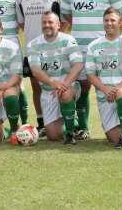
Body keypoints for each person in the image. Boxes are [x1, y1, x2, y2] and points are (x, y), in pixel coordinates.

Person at [61, 0, 122, 140]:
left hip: (106, 48)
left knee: (109, 85)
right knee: (82, 85)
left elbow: (118, 17)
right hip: (79, 47)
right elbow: (67, 16)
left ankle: (121, 123)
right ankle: (83, 127)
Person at [16, 0, 62, 137]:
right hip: (32, 50)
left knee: (55, 84)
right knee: (37, 87)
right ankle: (42, 121)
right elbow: (22, 23)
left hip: (53, 50)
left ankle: (59, 118)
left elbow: (61, 22)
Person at [86, 7, 122, 148]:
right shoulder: (93, 46)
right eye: (106, 20)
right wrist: (105, 89)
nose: (109, 23)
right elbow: (90, 75)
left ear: (121, 23)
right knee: (112, 139)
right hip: (104, 95)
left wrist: (116, 89)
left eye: (112, 20)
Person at [27, 11, 83, 144]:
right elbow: (36, 71)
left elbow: (78, 64)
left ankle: (70, 134)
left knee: (65, 94)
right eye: (44, 22)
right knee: (53, 135)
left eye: (50, 22)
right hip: (48, 91)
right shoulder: (33, 44)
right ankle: (71, 120)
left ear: (58, 25)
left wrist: (64, 84)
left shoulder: (68, 40)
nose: (47, 25)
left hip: (69, 86)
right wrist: (53, 83)